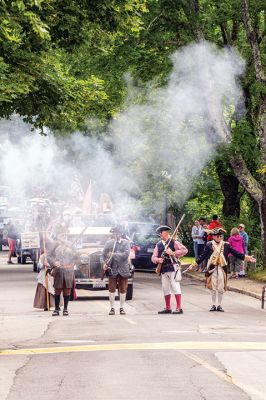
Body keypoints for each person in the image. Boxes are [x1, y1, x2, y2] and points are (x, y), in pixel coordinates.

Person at [187, 227, 255, 312]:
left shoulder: (226, 245)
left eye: (221, 236)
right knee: (213, 287)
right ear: (213, 236)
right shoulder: (209, 244)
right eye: (218, 236)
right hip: (212, 268)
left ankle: (219, 305)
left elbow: (236, 253)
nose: (219, 237)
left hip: (222, 268)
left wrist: (247, 258)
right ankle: (213, 304)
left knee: (221, 287)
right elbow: (202, 256)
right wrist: (194, 264)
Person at [151, 225, 188, 314]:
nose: (160, 234)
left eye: (162, 232)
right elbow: (153, 257)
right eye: (160, 232)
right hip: (163, 269)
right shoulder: (159, 244)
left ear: (166, 233)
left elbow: (185, 250)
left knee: (175, 287)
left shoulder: (174, 242)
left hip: (172, 267)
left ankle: (179, 307)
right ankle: (168, 308)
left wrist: (173, 253)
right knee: (165, 288)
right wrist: (158, 260)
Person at [101, 226, 131, 316]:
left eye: (117, 233)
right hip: (112, 269)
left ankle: (122, 308)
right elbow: (102, 255)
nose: (116, 235)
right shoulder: (109, 243)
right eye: (114, 233)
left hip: (123, 269)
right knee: (111, 289)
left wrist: (113, 254)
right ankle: (112, 308)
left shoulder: (126, 243)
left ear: (121, 234)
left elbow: (125, 255)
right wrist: (103, 263)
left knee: (123, 289)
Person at [47, 240, 77, 316]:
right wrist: (54, 262)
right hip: (58, 270)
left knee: (67, 290)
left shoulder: (71, 245)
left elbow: (77, 257)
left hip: (68, 269)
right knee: (57, 289)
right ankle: (56, 309)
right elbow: (49, 256)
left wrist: (71, 252)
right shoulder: (55, 244)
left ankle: (65, 309)